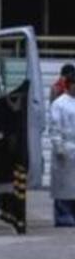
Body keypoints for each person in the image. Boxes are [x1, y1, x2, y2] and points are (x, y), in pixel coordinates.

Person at [49, 74, 75, 227]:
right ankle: (63, 215)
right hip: (65, 149)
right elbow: (54, 127)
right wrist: (59, 146)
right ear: (69, 85)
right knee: (64, 187)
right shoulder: (59, 104)